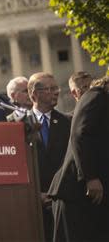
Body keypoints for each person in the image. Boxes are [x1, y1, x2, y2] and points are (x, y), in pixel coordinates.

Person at [48, 76, 109, 241]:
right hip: (78, 191)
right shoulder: (96, 95)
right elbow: (79, 135)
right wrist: (91, 177)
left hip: (97, 195)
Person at [27, 72, 71, 242]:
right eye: (50, 89)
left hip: (61, 202)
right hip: (31, 204)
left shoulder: (67, 123)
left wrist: (54, 194)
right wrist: (35, 194)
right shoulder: (16, 124)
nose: (56, 92)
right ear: (34, 94)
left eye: (56, 88)